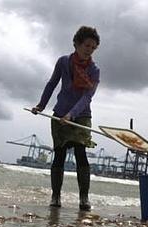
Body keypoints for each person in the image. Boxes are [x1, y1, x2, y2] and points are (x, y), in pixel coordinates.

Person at [31, 26, 100, 211]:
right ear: (77, 43)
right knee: (59, 155)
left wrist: (72, 114)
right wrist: (41, 105)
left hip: (82, 116)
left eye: (93, 48)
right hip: (60, 113)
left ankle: (84, 198)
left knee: (80, 154)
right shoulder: (63, 62)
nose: (89, 50)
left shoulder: (94, 70)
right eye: (87, 45)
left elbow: (87, 97)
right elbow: (52, 83)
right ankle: (55, 196)